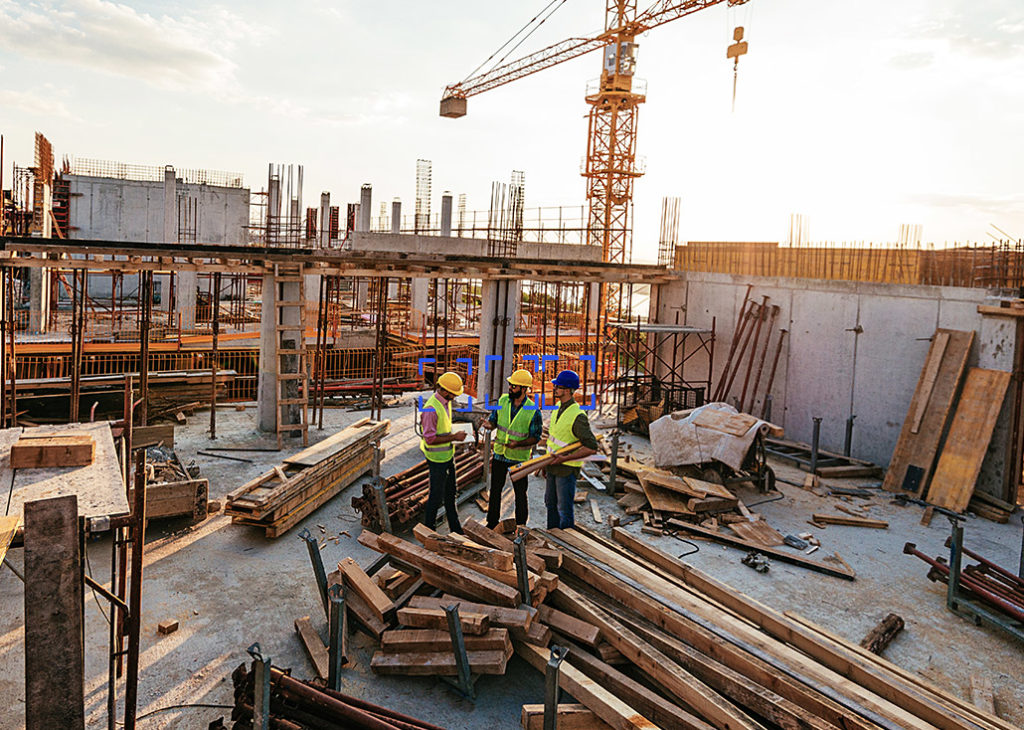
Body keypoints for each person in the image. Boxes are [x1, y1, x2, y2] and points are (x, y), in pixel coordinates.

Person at [481, 368, 543, 528]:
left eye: (513, 386)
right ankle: (492, 523)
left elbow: (536, 437)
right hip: (500, 455)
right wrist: (490, 425)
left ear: (523, 389)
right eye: (510, 385)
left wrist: (518, 443)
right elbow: (494, 419)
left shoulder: (533, 410)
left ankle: (521, 526)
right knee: (495, 491)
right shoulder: (502, 401)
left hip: (519, 458)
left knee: (520, 494)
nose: (510, 388)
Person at [543, 370, 598, 529]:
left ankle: (565, 543)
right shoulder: (559, 407)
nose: (555, 389)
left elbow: (591, 447)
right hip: (553, 464)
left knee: (564, 509)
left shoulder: (577, 415)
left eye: (557, 386)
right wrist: (547, 464)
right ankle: (552, 536)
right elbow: (554, 439)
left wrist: (564, 458)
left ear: (567, 390)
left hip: (566, 470)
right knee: (550, 503)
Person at [420, 371, 468, 533]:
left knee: (450, 493)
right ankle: (429, 530)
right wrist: (454, 436)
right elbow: (430, 439)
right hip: (436, 460)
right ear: (446, 391)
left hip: (447, 456)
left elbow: (443, 428)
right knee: (436, 497)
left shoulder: (444, 402)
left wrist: (457, 435)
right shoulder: (431, 410)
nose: (455, 397)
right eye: (454, 394)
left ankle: (456, 529)